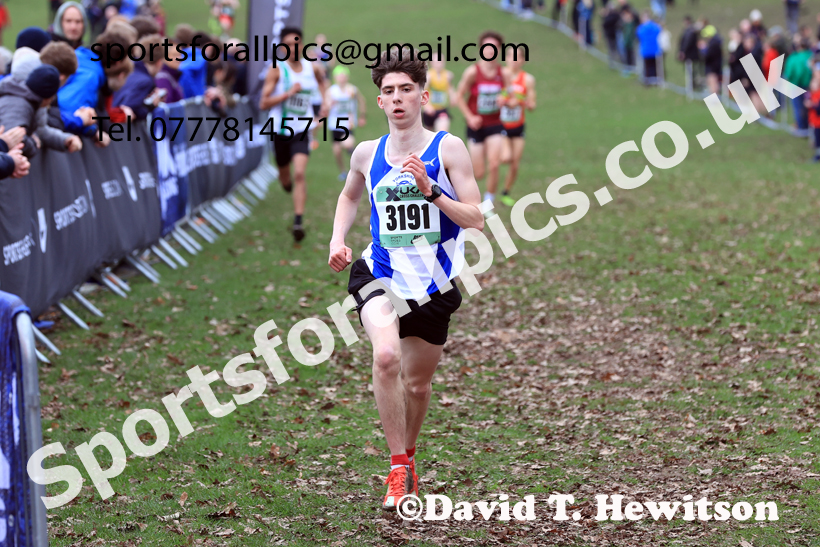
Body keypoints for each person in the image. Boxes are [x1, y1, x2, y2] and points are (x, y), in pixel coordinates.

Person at [327, 46, 484, 511]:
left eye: (405, 90)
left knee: (417, 386)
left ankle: (409, 455)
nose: (397, 98)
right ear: (379, 101)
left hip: (434, 286)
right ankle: (397, 466)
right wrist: (338, 238)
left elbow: (475, 217)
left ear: (422, 94)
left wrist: (432, 191)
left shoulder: (447, 147)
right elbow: (349, 196)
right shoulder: (366, 152)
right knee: (386, 356)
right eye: (388, 91)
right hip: (381, 274)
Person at [259, 26, 329, 242]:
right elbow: (263, 102)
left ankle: (298, 220)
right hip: (280, 129)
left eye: (296, 43)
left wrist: (325, 103)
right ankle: (285, 182)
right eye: (288, 44)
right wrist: (287, 94)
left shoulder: (312, 68)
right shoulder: (276, 70)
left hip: (302, 129)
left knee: (299, 173)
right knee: (286, 177)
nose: (293, 47)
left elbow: (323, 82)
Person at [455, 30, 510, 207]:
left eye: (494, 47)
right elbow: (458, 97)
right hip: (476, 126)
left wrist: (506, 100)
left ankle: (489, 201)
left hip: (495, 123)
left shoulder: (504, 74)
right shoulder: (472, 72)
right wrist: (470, 117)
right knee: (478, 172)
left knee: (494, 163)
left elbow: (512, 97)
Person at [499, 45, 535, 206]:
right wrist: (506, 102)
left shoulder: (527, 79)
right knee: (506, 157)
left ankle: (505, 192)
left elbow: (532, 105)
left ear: (522, 60)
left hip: (518, 125)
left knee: (515, 163)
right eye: (510, 56)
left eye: (517, 57)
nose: (513, 60)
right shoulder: (499, 76)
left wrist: (523, 102)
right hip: (500, 125)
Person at [327, 65, 365, 181]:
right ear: (335, 77)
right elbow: (326, 107)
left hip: (348, 124)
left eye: (344, 76)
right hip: (334, 125)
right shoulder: (331, 91)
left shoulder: (352, 90)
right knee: (337, 152)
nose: (341, 78)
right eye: (339, 76)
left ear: (347, 77)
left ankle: (359, 167)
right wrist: (330, 104)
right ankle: (343, 172)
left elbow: (361, 100)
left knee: (347, 144)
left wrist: (362, 116)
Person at [783, 36, 813, 133]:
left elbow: (789, 73)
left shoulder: (793, 58)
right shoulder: (811, 55)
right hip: (809, 85)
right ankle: (809, 126)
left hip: (795, 85)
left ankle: (801, 127)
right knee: (808, 106)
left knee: (798, 107)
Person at [422, 54, 454, 132]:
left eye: (440, 61)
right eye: (436, 61)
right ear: (431, 63)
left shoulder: (447, 75)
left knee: (442, 132)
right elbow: (421, 92)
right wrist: (427, 106)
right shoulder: (428, 76)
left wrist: (452, 97)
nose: (438, 63)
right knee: (428, 135)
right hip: (430, 111)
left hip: (441, 109)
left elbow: (449, 88)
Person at [636, 11, 661, 85]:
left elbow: (638, 36)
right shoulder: (655, 26)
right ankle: (655, 80)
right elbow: (659, 32)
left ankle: (647, 81)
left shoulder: (641, 28)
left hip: (645, 49)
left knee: (647, 66)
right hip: (654, 49)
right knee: (654, 66)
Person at [699, 25, 722, 95]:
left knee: (712, 84)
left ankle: (714, 102)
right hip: (713, 67)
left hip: (712, 68)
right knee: (711, 84)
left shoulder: (714, 43)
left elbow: (708, 56)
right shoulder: (715, 42)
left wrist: (703, 49)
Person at [806, 68, 820, 162]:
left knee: (818, 140)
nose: (812, 84)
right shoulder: (812, 94)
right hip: (813, 122)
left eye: (814, 82)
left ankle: (818, 156)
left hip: (818, 123)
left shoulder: (818, 94)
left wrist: (812, 105)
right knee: (815, 140)